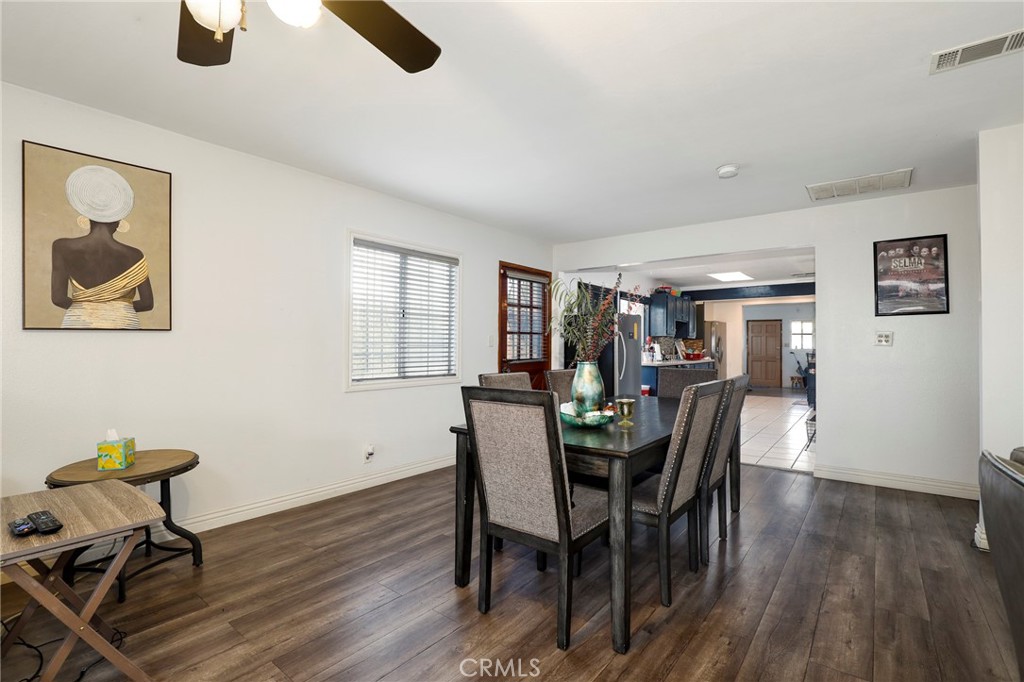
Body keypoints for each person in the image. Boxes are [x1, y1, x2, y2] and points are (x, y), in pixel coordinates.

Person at [50, 165, 153, 329]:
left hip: (78, 322)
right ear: (118, 222)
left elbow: (58, 298)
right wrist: (117, 309)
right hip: (125, 323)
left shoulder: (62, 246)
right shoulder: (135, 254)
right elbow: (147, 303)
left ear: (87, 216)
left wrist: (87, 308)